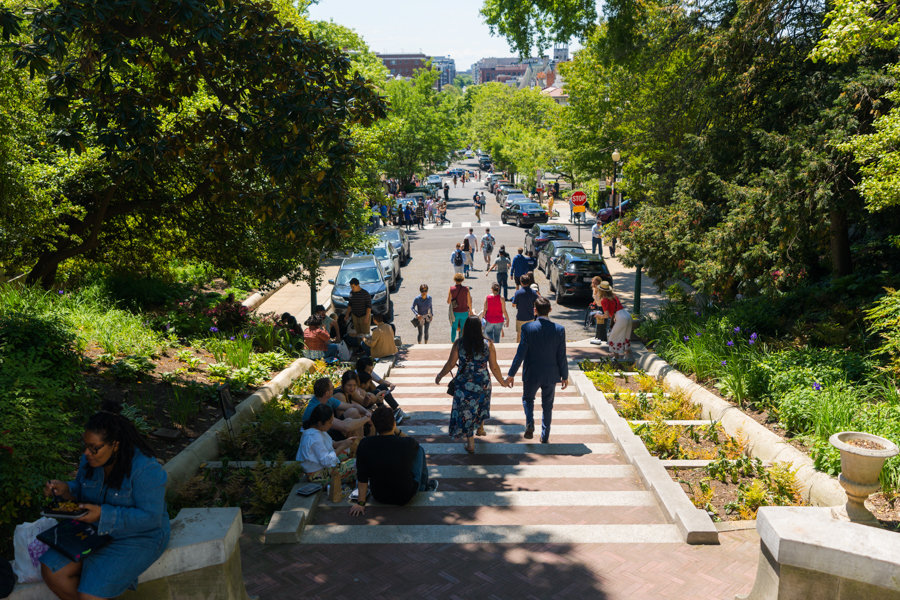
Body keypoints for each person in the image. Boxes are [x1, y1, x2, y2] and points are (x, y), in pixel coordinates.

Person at [41, 402, 170, 599]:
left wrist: (103, 514)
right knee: (52, 571)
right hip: (94, 530)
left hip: (140, 536)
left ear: (115, 444)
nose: (87, 453)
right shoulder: (89, 460)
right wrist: (67, 490)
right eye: (86, 446)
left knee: (90, 595)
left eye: (94, 448)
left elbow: (152, 518)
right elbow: (82, 490)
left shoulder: (145, 469)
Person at [435, 317, 510, 452]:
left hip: (464, 383)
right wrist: (503, 382)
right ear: (480, 328)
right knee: (480, 405)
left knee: (466, 411)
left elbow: (451, 364)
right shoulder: (488, 344)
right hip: (483, 382)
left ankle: (470, 443)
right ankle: (480, 428)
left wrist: (440, 375)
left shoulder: (459, 344)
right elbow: (494, 367)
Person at [349, 407, 438, 516]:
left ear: (375, 425)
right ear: (394, 423)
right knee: (419, 450)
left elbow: (362, 476)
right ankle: (424, 487)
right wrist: (396, 431)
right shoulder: (407, 443)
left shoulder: (364, 444)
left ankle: (424, 486)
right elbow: (414, 444)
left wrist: (361, 503)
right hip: (405, 496)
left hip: (379, 495)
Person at [506, 297, 569, 443]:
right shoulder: (559, 329)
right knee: (547, 406)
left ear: (535, 310)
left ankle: (529, 421)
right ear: (550, 310)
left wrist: (511, 374)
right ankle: (545, 435)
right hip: (551, 374)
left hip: (532, 372)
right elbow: (562, 355)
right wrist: (564, 376)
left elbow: (520, 353)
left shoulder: (527, 328)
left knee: (528, 399)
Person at [297, 404, 357, 486]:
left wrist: (346, 442)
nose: (331, 424)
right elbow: (326, 461)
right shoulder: (314, 436)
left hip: (323, 467)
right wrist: (342, 446)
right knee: (358, 463)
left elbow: (331, 443)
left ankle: (351, 482)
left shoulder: (317, 429)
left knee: (354, 452)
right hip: (318, 475)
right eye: (329, 422)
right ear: (320, 422)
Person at [303, 377, 371, 441]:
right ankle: (358, 447)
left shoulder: (328, 399)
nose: (334, 389)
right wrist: (367, 418)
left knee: (353, 412)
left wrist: (367, 413)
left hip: (326, 431)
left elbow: (353, 406)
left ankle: (358, 444)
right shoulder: (317, 409)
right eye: (332, 388)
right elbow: (346, 427)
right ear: (327, 393)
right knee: (349, 423)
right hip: (319, 439)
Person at [354, 357, 408, 424]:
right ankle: (386, 416)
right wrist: (379, 394)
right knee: (377, 391)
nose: (371, 372)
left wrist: (390, 384)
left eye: (371, 370)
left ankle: (395, 410)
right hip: (361, 402)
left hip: (368, 397)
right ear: (361, 370)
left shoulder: (368, 373)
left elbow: (381, 381)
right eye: (368, 370)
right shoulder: (355, 378)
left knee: (382, 386)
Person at [596, 281, 633, 360]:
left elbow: (606, 315)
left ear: (601, 291)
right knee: (627, 336)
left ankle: (616, 357)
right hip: (627, 315)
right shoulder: (614, 296)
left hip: (621, 318)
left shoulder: (604, 301)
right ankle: (627, 355)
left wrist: (599, 316)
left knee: (613, 337)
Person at [511, 273, 538, 343]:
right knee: (530, 334)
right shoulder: (533, 292)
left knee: (519, 334)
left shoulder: (518, 293)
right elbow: (538, 302)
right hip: (530, 317)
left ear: (521, 282)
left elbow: (513, 305)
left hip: (520, 317)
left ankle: (518, 348)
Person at [448, 272, 474, 343]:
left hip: (455, 312)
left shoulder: (451, 289)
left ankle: (453, 342)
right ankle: (461, 342)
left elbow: (448, 301)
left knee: (454, 327)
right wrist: (470, 311)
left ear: (455, 280)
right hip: (464, 311)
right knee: (463, 328)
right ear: (462, 280)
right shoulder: (466, 289)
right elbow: (469, 301)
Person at [589, 277, 609, 345]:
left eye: (595, 283)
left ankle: (603, 341)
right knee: (598, 325)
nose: (593, 284)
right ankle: (598, 339)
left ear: (599, 284)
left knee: (602, 325)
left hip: (604, 308)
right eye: (593, 283)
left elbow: (605, 301)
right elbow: (595, 298)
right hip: (599, 308)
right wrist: (594, 304)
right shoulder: (594, 289)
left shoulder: (602, 291)